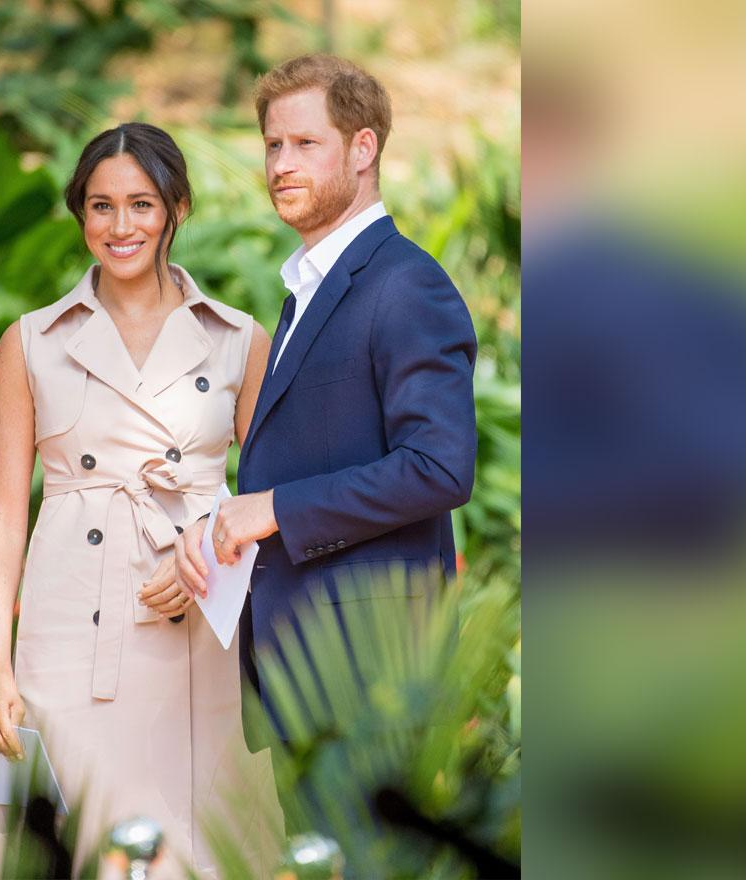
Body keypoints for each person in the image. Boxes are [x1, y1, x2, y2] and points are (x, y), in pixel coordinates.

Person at [0, 122, 282, 879]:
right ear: (81, 215)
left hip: (199, 627)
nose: (120, 226)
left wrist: (206, 546)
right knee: (85, 842)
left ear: (177, 208)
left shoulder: (240, 340)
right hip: (72, 631)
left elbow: (275, 497)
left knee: (207, 846)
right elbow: (8, 513)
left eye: (141, 204)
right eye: (100, 206)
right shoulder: (32, 342)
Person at [172, 51, 478, 814]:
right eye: (273, 145)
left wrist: (273, 507)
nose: (280, 163)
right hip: (306, 666)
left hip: (372, 671)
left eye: (305, 144)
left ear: (363, 149)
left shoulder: (406, 285)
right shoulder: (307, 291)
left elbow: (440, 467)